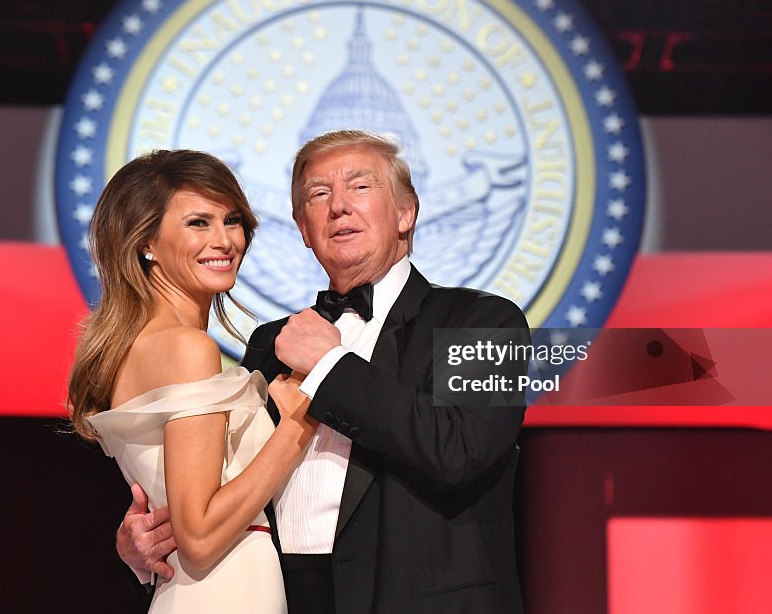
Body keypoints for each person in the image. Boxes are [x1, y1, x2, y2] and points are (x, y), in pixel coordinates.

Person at [119, 130, 530, 613]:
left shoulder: (488, 321)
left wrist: (330, 366)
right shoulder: (271, 344)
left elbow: (459, 452)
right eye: (318, 194)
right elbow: (227, 489)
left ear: (405, 213)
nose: (338, 207)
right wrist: (146, 543)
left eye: (360, 187)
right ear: (302, 228)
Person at [68, 149, 316, 613]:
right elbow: (199, 536)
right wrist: (299, 424)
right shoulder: (187, 348)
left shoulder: (144, 344)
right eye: (198, 223)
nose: (224, 240)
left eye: (232, 220)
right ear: (145, 242)